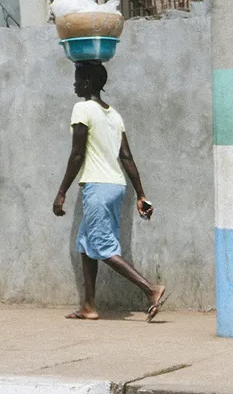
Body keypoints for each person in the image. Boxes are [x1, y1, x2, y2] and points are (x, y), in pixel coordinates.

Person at [52, 60, 167, 320]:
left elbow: (77, 154)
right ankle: (89, 306)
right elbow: (126, 157)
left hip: (98, 187)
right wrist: (140, 194)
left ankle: (150, 289)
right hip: (115, 185)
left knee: (103, 247)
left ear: (87, 82)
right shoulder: (114, 115)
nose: (74, 84)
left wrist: (61, 192)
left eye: (77, 79)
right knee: (85, 243)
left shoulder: (82, 109)